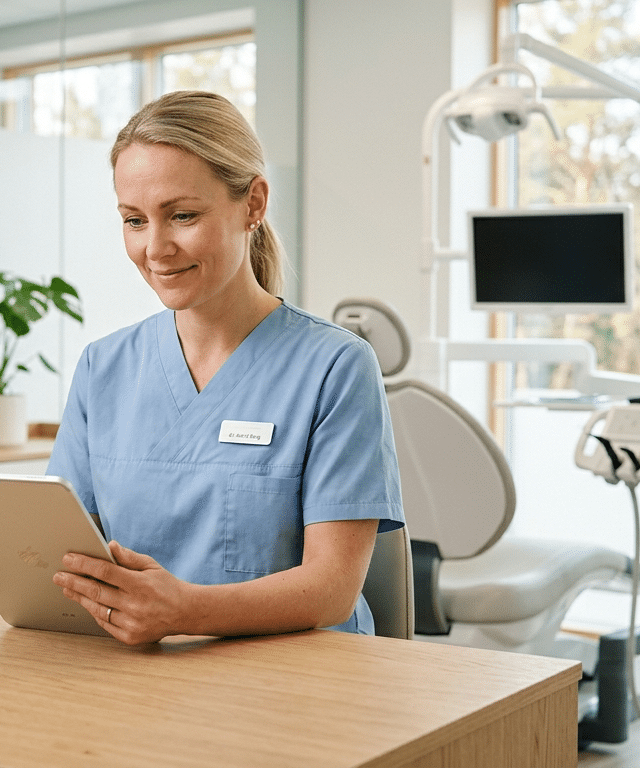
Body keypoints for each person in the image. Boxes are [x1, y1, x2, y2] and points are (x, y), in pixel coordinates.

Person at [47, 90, 405, 645]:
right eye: (134, 221)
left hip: (304, 681)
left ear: (253, 204)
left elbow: (332, 587)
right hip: (142, 675)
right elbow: (61, 552)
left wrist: (183, 611)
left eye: (182, 215)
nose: (156, 248)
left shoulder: (334, 366)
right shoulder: (103, 367)